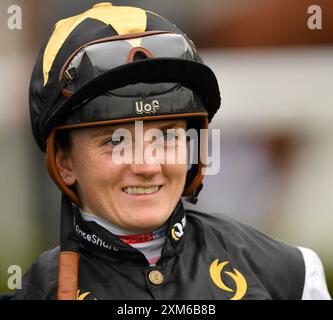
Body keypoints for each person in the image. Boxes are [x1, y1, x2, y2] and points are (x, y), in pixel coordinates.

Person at [14, 3, 331, 300]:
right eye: (115, 141)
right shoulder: (37, 291)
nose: (147, 165)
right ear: (63, 162)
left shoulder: (292, 275)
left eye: (166, 137)